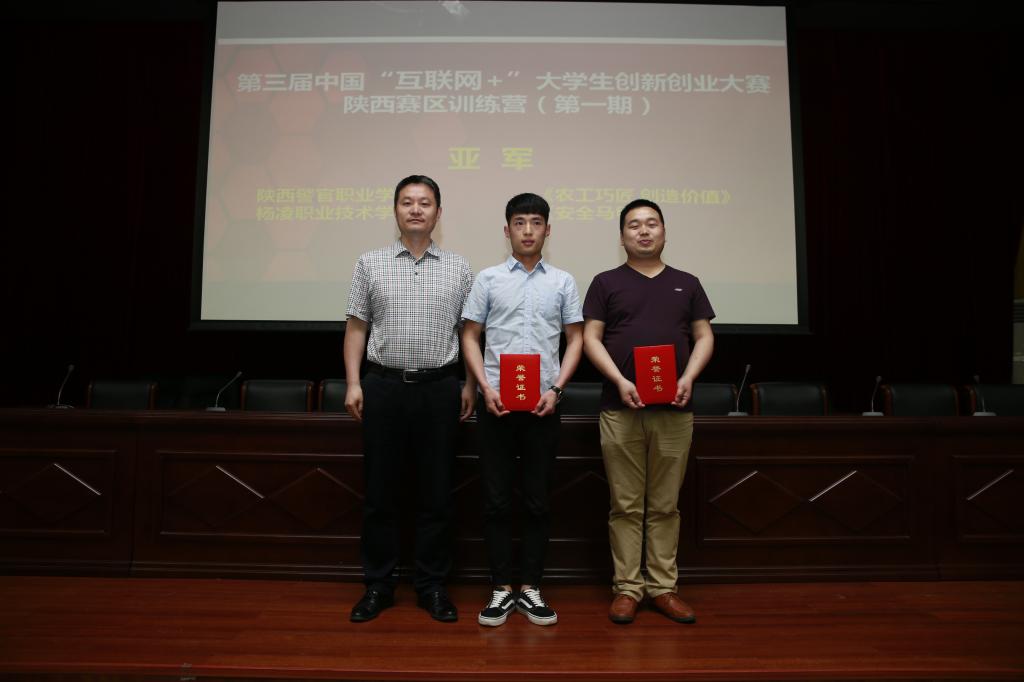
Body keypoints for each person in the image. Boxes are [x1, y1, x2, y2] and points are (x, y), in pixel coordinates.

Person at [343, 174, 476, 623]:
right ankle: (378, 586)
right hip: (383, 386)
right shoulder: (370, 263)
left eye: (425, 202)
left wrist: (470, 385)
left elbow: (469, 333)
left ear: (438, 212)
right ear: (396, 210)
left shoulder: (459, 267)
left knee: (436, 492)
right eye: (407, 202)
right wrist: (353, 382)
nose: (416, 209)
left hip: (440, 388)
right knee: (380, 492)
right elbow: (356, 327)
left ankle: (431, 586)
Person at [581, 198, 715, 625]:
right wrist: (619, 381)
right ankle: (627, 588)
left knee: (664, 505)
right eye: (634, 225)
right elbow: (590, 338)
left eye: (651, 223)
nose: (643, 231)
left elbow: (704, 336)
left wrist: (688, 377)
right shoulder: (605, 282)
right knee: (625, 504)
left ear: (664, 232)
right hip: (620, 408)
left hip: (675, 409)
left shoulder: (687, 283)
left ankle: (662, 587)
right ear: (622, 237)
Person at [461, 193, 583, 627]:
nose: (527, 230)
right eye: (519, 222)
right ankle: (500, 589)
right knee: (495, 501)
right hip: (495, 405)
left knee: (537, 501)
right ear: (507, 229)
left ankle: (530, 587)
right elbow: (470, 336)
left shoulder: (563, 282)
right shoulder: (488, 279)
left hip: (543, 407)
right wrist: (484, 387)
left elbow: (576, 339)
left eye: (535, 222)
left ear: (548, 230)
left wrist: (557, 388)